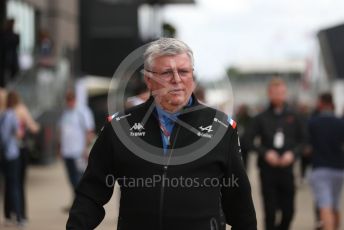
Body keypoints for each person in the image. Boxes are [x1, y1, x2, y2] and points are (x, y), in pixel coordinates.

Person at [66, 38, 257, 229]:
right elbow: (91, 193)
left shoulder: (221, 127)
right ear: (149, 80)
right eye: (167, 73)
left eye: (183, 71)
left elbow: (240, 203)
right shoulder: (119, 127)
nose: (177, 79)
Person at [246, 78, 306, 230]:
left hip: (287, 170)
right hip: (267, 171)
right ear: (269, 94)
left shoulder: (295, 116)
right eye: (275, 93)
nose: (278, 96)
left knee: (288, 212)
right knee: (270, 213)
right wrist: (265, 153)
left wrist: (293, 154)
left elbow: (304, 141)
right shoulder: (260, 117)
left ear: (285, 93)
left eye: (281, 92)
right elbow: (247, 140)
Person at [308, 93, 344, 230]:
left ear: (320, 103)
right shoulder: (340, 122)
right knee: (335, 205)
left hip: (320, 167)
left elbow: (307, 145)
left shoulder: (313, 123)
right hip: (339, 168)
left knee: (325, 206)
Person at [58, 90, 95, 200]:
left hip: (78, 151)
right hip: (67, 151)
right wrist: (59, 148)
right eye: (67, 101)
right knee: (71, 178)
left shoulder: (83, 111)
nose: (69, 103)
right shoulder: (65, 112)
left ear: (75, 100)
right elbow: (61, 131)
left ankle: (82, 200)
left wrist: (86, 149)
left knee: (78, 178)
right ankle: (75, 200)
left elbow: (89, 132)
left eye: (71, 101)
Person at [12, 91, 40, 222]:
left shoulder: (5, 111)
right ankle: (20, 214)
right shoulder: (21, 110)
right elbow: (33, 127)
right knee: (19, 183)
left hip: (7, 151)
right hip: (19, 149)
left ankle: (9, 213)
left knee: (11, 184)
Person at [0, 90, 24, 226]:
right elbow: (18, 134)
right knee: (15, 185)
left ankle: (8, 215)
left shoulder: (2, 115)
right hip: (12, 154)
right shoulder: (13, 116)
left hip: (3, 154)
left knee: (7, 186)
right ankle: (19, 217)